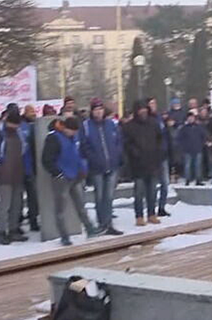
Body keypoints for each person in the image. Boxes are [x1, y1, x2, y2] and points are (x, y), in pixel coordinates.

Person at [42, 117, 100, 245]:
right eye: (71, 131)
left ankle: (89, 227)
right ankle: (64, 236)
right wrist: (58, 173)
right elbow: (46, 159)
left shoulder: (73, 137)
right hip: (61, 178)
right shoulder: (53, 138)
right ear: (64, 127)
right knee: (60, 209)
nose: (73, 134)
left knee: (80, 204)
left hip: (75, 176)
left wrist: (82, 169)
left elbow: (78, 154)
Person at [82, 98, 124, 235]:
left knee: (109, 196)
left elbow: (118, 141)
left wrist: (117, 155)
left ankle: (108, 223)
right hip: (97, 167)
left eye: (100, 109)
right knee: (99, 196)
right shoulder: (87, 126)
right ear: (92, 111)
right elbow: (84, 146)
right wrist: (93, 159)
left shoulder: (111, 124)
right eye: (96, 110)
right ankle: (102, 223)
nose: (99, 112)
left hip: (111, 164)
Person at [0, 112, 31, 245]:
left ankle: (13, 229)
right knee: (5, 205)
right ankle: (2, 231)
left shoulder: (19, 134)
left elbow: (24, 151)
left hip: (18, 173)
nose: (15, 126)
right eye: (13, 123)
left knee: (16, 204)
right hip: (5, 174)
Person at [123, 101, 164, 226]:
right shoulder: (129, 126)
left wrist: (159, 153)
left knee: (152, 191)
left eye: (145, 109)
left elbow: (160, 139)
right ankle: (139, 216)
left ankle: (152, 214)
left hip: (153, 162)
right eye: (140, 110)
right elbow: (126, 143)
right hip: (138, 164)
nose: (143, 112)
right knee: (139, 192)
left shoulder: (153, 123)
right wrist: (134, 153)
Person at [147, 97, 172, 217]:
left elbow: (165, 135)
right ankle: (151, 209)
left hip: (163, 155)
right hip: (152, 157)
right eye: (151, 103)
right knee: (152, 185)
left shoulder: (159, 118)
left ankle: (162, 207)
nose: (153, 105)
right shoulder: (146, 120)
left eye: (154, 103)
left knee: (165, 184)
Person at [20, 105, 40, 232]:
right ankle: (18, 220)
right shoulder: (22, 127)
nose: (33, 113)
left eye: (34, 111)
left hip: (32, 167)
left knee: (33, 196)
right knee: (20, 197)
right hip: (22, 166)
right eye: (30, 111)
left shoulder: (37, 125)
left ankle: (33, 220)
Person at [177, 112, 207, 186]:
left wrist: (202, 144)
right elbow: (180, 139)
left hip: (198, 149)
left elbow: (204, 136)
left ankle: (198, 179)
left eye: (192, 117)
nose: (191, 119)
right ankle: (187, 179)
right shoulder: (184, 128)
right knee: (187, 165)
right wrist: (183, 147)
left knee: (198, 165)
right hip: (187, 150)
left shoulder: (199, 127)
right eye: (189, 118)